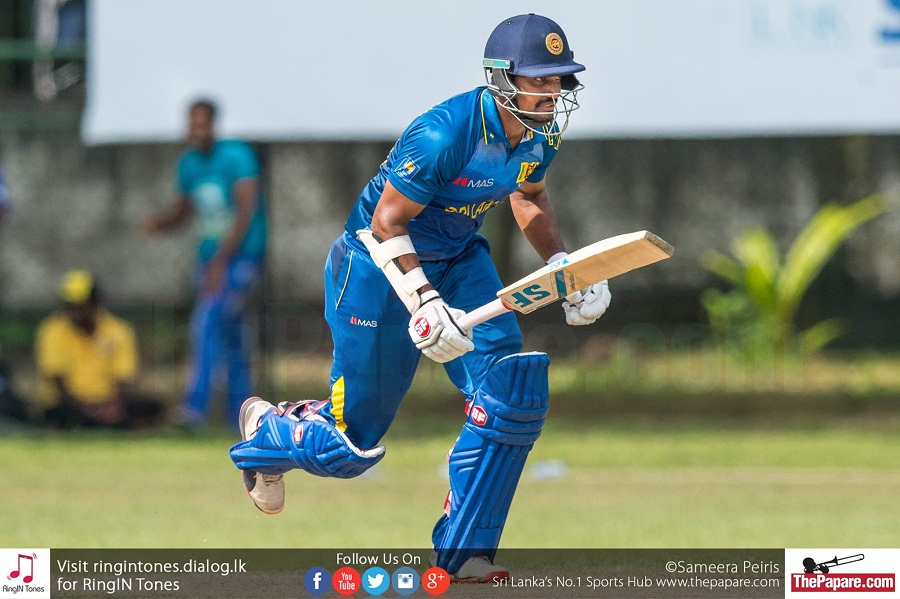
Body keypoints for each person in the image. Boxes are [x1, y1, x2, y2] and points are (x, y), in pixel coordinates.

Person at [229, 14, 611, 582]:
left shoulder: (542, 134)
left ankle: (462, 556)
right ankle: (269, 431)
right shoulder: (444, 133)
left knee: (510, 395)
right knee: (348, 448)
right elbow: (386, 222)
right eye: (539, 79)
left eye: (558, 79)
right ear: (500, 77)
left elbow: (529, 197)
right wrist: (425, 300)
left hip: (458, 259)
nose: (552, 92)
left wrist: (563, 266)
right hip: (378, 266)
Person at [143, 99, 268, 430]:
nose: (196, 130)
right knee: (232, 336)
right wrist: (161, 224)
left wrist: (220, 263)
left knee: (206, 323)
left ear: (213, 124)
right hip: (211, 258)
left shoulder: (237, 156)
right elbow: (184, 211)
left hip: (240, 257)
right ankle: (242, 415)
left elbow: (245, 214)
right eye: (191, 124)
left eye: (202, 124)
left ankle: (193, 410)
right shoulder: (189, 164)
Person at [36, 270, 165, 428]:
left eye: (80, 305)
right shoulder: (52, 331)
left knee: (149, 408)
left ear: (95, 303)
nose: (74, 312)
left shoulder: (118, 330)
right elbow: (56, 378)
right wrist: (84, 407)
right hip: (70, 403)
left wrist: (113, 405)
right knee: (58, 414)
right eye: (69, 305)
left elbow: (125, 377)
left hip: (109, 402)